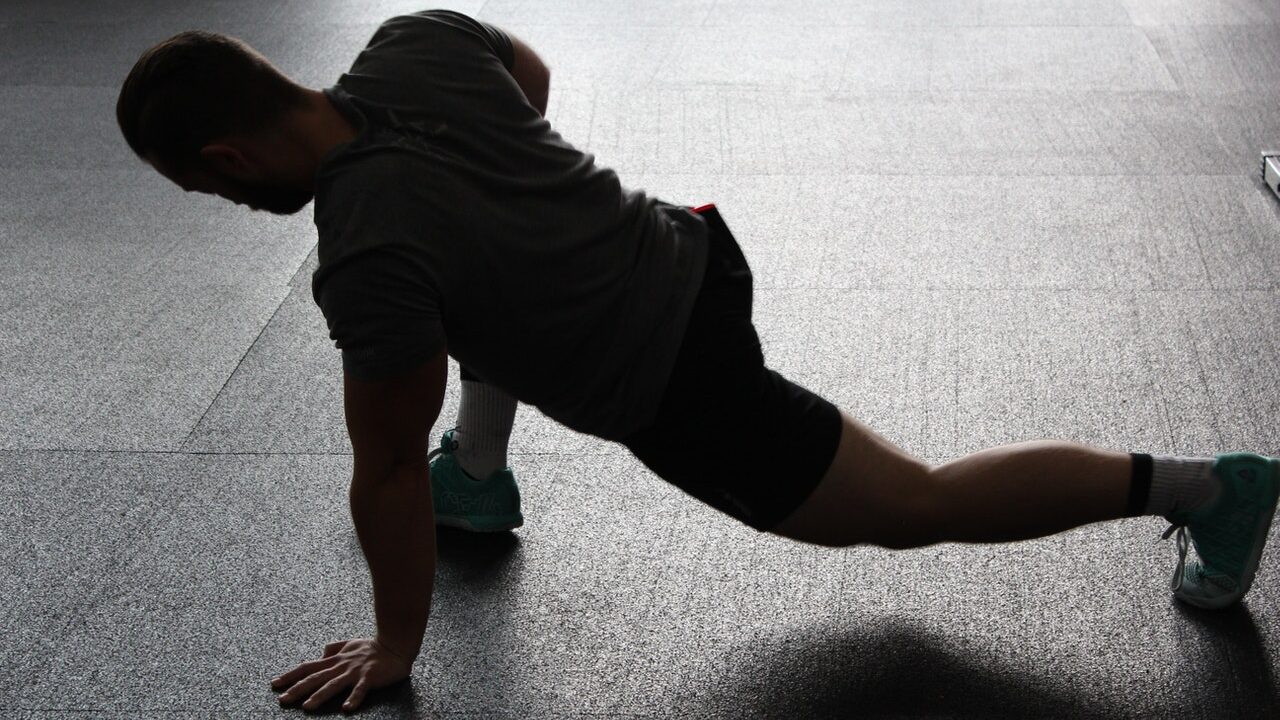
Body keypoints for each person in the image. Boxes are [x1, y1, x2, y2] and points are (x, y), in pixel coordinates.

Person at [115, 9, 1280, 714]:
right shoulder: (413, 43)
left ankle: (1203, 489)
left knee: (911, 508)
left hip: (677, 380)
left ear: (223, 155)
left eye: (204, 188)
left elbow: (378, 473)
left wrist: (396, 645)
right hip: (690, 243)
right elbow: (529, 83)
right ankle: (479, 467)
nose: (221, 202)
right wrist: (517, 207)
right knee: (476, 287)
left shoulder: (366, 258)